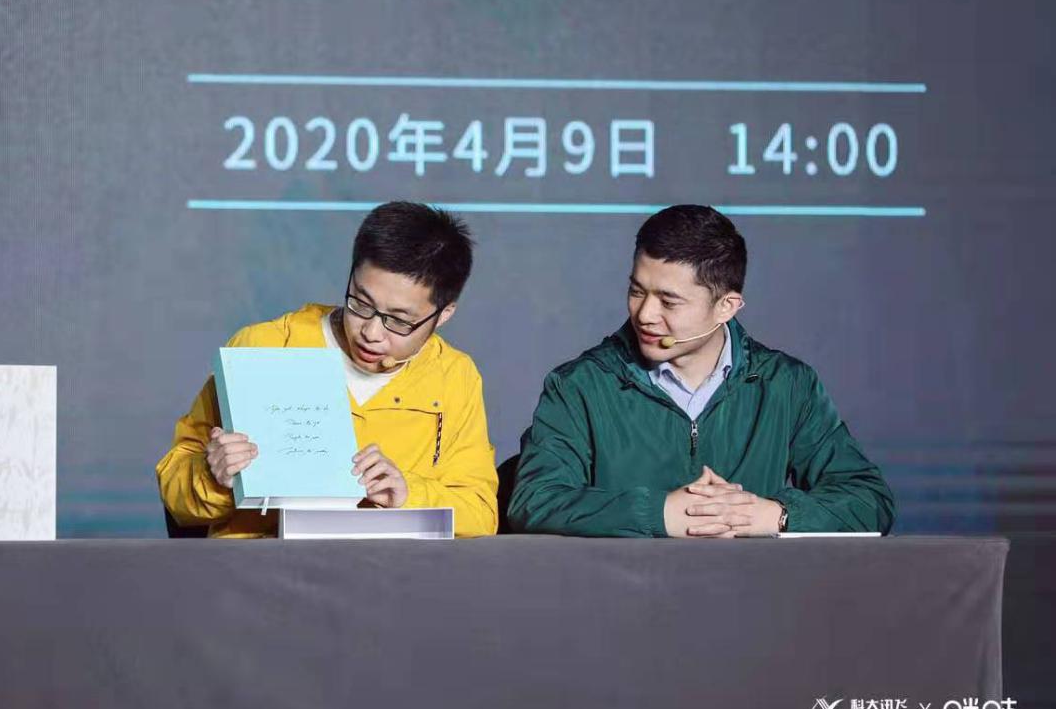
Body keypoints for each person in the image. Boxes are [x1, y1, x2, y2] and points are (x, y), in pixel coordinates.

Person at [508, 204, 895, 537]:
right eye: (637, 291)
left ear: (727, 306)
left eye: (669, 301)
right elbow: (534, 500)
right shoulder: (580, 385)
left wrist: (772, 515)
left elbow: (869, 500)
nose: (645, 314)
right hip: (622, 591)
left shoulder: (787, 385)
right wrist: (660, 514)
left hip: (751, 591)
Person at [157, 201, 498, 537]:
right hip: (261, 562)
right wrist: (212, 476)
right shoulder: (264, 346)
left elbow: (480, 513)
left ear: (444, 314)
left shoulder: (454, 376)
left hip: (391, 566)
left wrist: (410, 494)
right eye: (360, 303)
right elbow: (174, 489)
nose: (371, 332)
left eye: (398, 321)